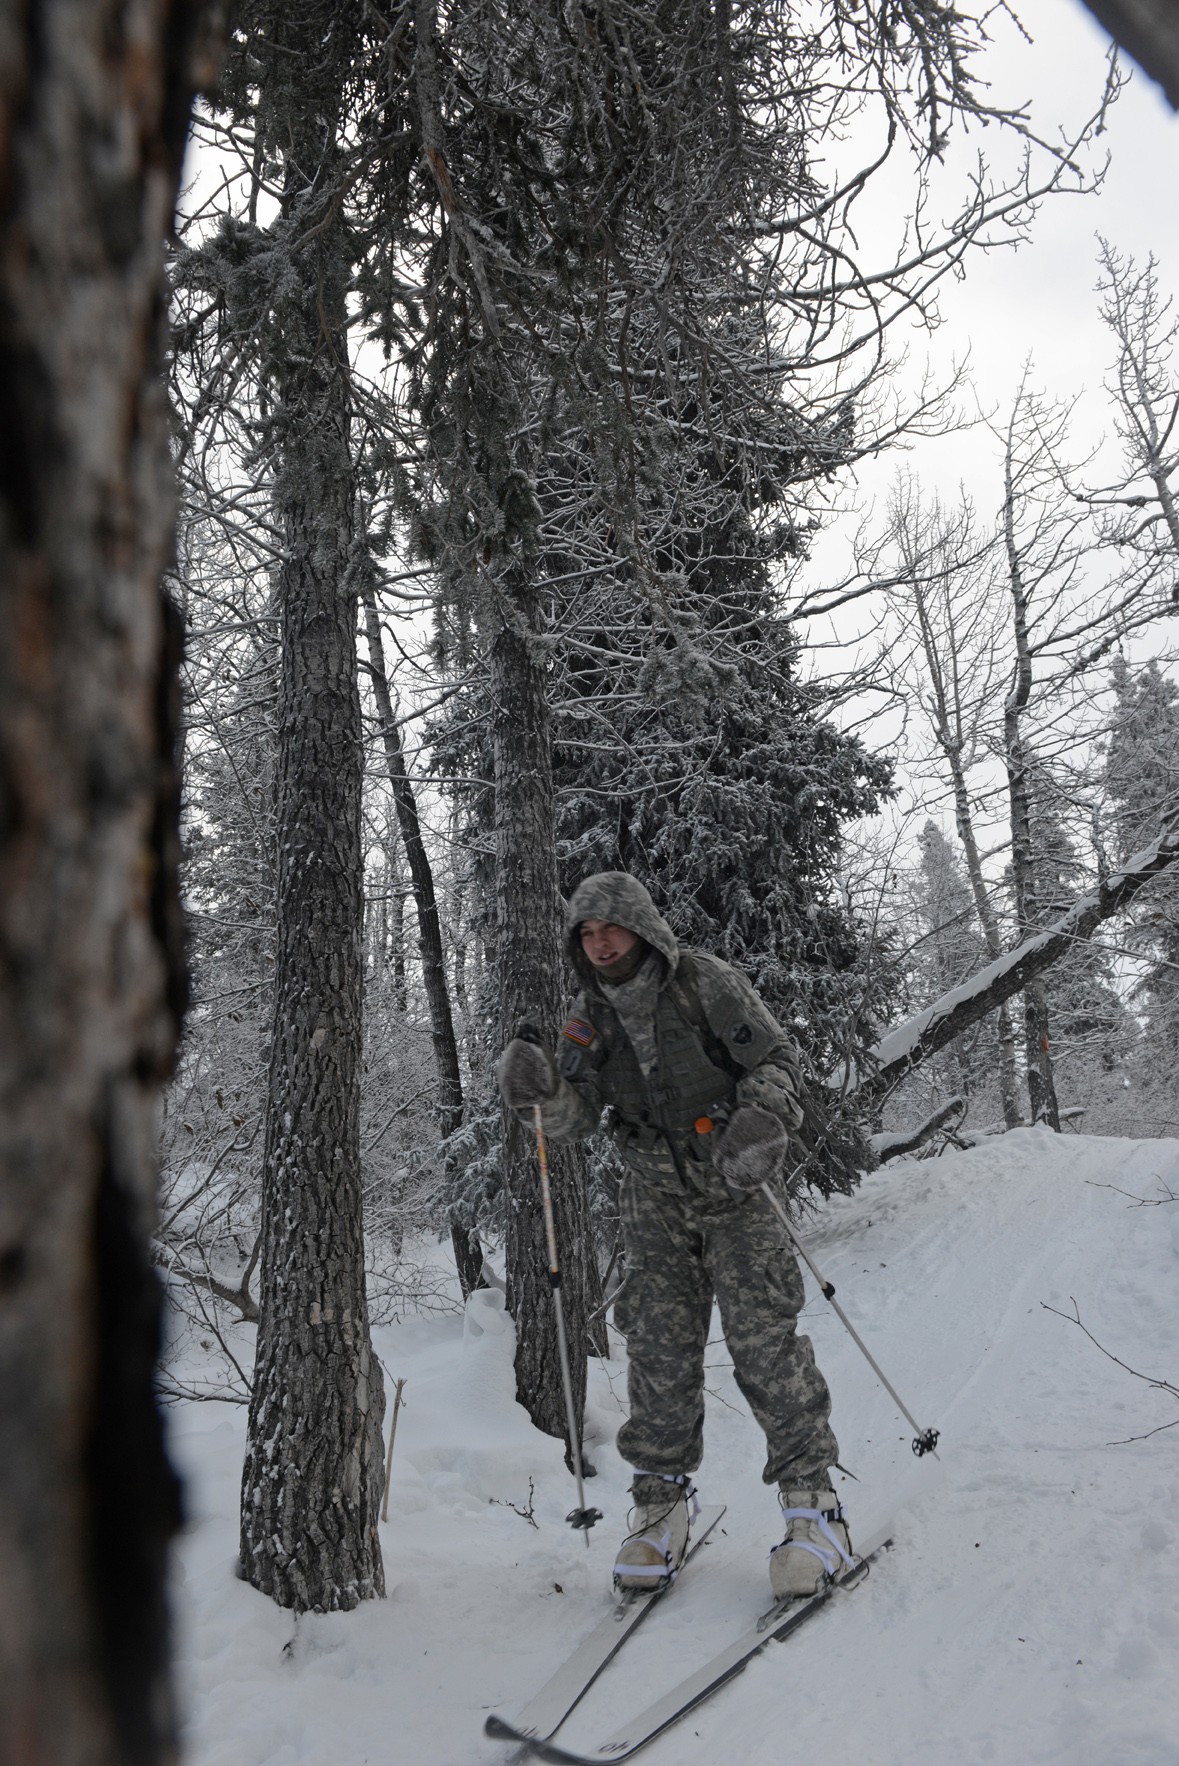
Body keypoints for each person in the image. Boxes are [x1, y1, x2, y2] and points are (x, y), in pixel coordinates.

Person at [496, 871, 853, 1600]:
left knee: (763, 1347)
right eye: (585, 934)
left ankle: (813, 1509)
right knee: (658, 1352)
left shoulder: (704, 983)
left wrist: (759, 1120)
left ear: (639, 926)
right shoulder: (586, 1017)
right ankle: (659, 1508)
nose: (598, 944)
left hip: (737, 1189)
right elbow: (570, 1123)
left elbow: (780, 1062)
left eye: (609, 928)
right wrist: (539, 1093)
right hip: (651, 1199)